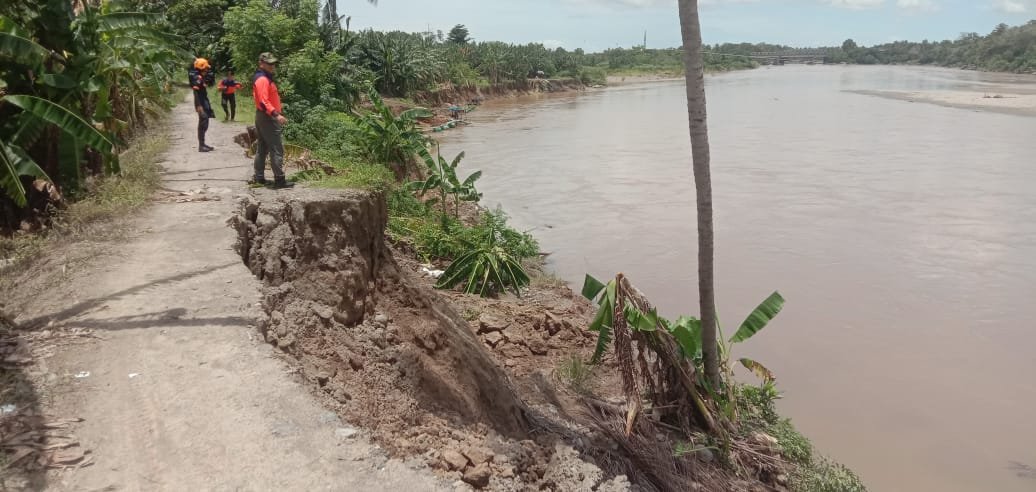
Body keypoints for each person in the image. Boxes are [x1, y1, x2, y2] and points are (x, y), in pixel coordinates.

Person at [251, 52, 293, 188]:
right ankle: (279, 180)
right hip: (267, 117)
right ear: (261, 64)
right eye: (269, 64)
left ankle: (259, 177)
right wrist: (276, 114)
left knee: (262, 147)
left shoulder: (264, 78)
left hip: (263, 116)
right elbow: (264, 102)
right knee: (276, 148)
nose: (272, 66)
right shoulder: (263, 79)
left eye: (273, 63)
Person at [188, 57, 216, 152]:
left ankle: (203, 144)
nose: (207, 70)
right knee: (203, 122)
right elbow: (195, 92)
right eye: (206, 69)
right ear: (201, 68)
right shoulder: (198, 78)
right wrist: (198, 105)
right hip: (200, 102)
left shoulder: (201, 77)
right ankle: (201, 145)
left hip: (203, 101)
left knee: (205, 121)